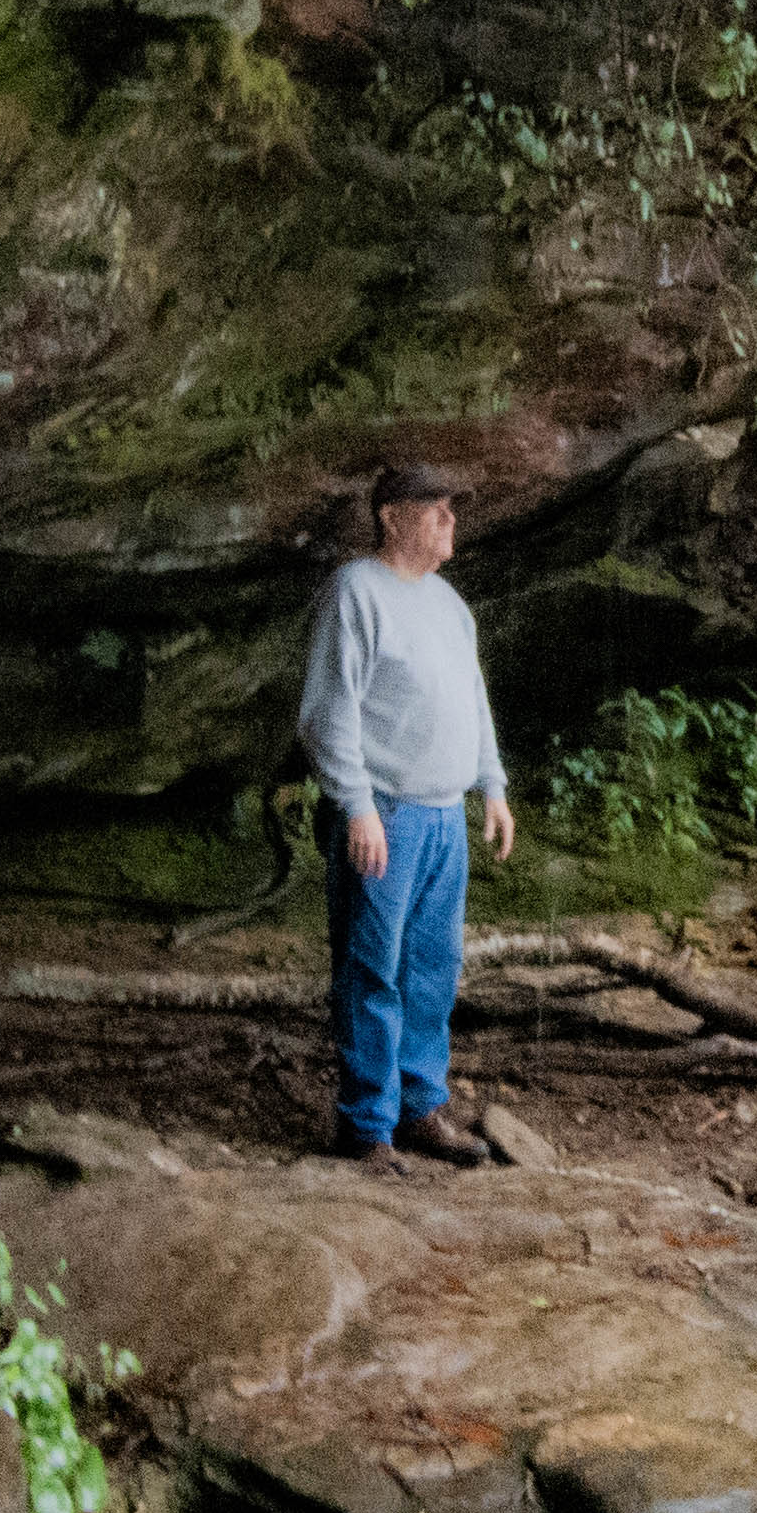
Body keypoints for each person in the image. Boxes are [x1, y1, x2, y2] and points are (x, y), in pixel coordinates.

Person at [299, 463, 515, 1161]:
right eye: (435, 508)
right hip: (386, 814)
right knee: (372, 968)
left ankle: (420, 1108)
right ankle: (366, 1126)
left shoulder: (449, 604)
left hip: (445, 816)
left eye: (452, 508)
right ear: (392, 517)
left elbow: (473, 698)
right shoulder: (356, 591)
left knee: (432, 969)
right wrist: (356, 806)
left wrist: (492, 784)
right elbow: (329, 710)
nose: (451, 520)